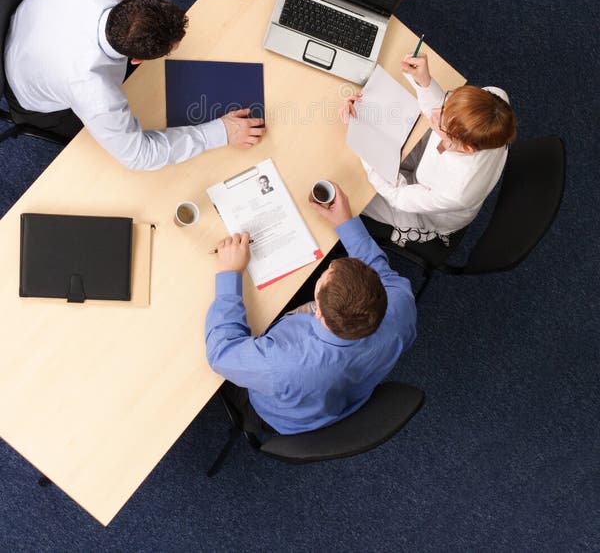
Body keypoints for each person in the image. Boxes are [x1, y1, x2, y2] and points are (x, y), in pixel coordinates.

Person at [4, 0, 266, 170]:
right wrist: (220, 132)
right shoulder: (95, 92)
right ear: (137, 60)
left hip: (28, 19)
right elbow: (139, 156)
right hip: (28, 92)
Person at [205, 183, 416, 437]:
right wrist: (345, 221)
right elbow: (377, 266)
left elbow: (221, 353)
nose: (332, 264)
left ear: (317, 310)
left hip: (283, 412)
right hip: (345, 389)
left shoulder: (283, 363)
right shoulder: (402, 302)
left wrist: (230, 273)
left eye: (326, 273)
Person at [341, 55, 517, 246]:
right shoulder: (494, 99)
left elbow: (398, 196)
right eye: (445, 106)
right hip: (428, 163)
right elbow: (445, 111)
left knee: (346, 192)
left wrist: (363, 140)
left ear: (466, 148)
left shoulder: (457, 191)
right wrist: (424, 82)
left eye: (441, 122)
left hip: (424, 213)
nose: (434, 113)